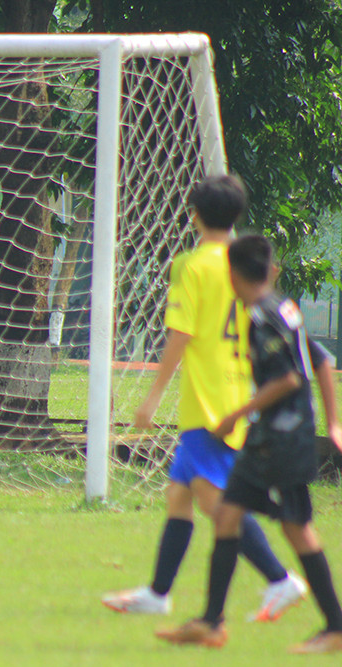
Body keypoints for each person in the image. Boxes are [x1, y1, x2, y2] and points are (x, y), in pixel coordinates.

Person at [102, 175, 305, 619]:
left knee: (213, 499)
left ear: (193, 215)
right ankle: (158, 594)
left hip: (207, 400)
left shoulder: (191, 265)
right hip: (237, 391)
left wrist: (152, 397)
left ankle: (280, 578)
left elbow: (181, 334)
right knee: (179, 494)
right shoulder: (245, 262)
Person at [156, 234, 342, 653]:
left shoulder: (260, 316)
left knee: (298, 530)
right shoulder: (286, 308)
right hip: (269, 439)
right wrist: (333, 424)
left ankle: (335, 625)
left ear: (234, 274)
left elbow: (289, 379)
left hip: (281, 439)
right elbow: (323, 361)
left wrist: (234, 416)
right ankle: (210, 622)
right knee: (227, 514)